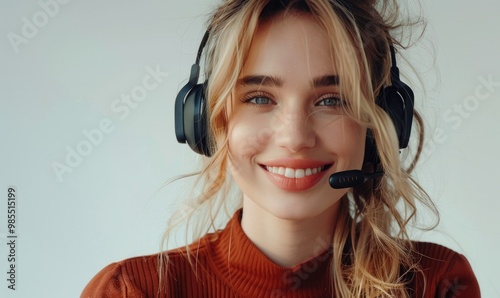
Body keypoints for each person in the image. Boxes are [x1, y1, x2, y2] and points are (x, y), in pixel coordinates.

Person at [82, 0, 481, 297]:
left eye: (331, 100)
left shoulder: (436, 283)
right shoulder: (133, 291)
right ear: (209, 121)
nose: (294, 137)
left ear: (380, 125)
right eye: (259, 98)